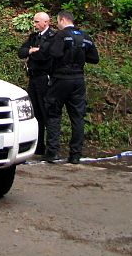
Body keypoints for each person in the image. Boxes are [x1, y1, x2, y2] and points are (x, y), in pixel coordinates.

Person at [41, 10, 99, 164]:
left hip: (60, 79)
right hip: (78, 80)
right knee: (77, 117)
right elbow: (94, 58)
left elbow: (54, 53)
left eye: (58, 21)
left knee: (53, 114)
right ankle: (75, 154)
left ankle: (52, 152)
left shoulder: (60, 35)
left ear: (62, 20)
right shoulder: (85, 37)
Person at [17, 12, 56, 155]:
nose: (34, 24)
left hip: (44, 78)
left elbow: (44, 56)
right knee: (35, 113)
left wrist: (33, 52)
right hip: (33, 78)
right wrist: (31, 50)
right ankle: (38, 145)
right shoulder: (34, 37)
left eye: (37, 22)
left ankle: (50, 146)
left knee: (45, 112)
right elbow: (21, 52)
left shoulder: (52, 37)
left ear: (46, 22)